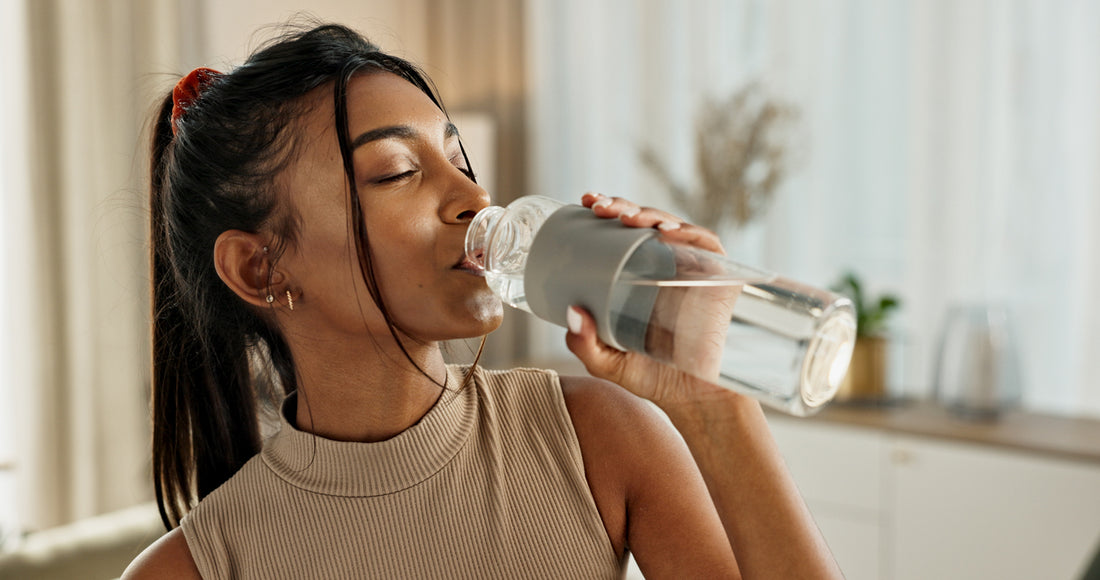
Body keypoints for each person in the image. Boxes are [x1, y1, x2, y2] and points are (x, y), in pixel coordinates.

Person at [123, 22, 841, 579]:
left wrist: (714, 409)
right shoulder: (196, 567)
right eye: (399, 170)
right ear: (258, 266)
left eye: (458, 157)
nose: (474, 196)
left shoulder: (595, 437)